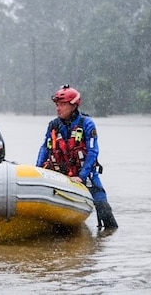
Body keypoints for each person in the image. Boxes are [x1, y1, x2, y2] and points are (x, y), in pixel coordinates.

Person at [36, 85, 118, 229]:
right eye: (57, 104)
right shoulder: (53, 125)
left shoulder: (87, 124)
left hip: (85, 175)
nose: (58, 108)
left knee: (104, 211)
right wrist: (38, 171)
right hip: (59, 174)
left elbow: (93, 151)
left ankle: (104, 237)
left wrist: (82, 176)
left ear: (73, 105)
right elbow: (45, 148)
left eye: (62, 104)